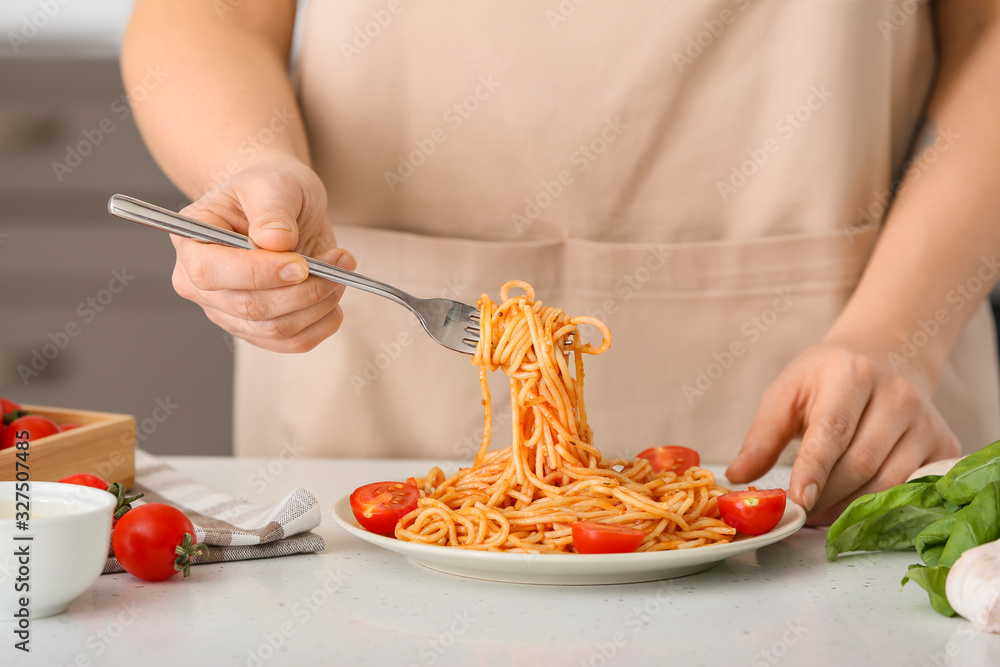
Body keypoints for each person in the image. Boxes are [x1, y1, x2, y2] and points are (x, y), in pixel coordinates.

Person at [121, 0, 1000, 524]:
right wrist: (248, 166)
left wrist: (901, 331)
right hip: (374, 384)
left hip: (854, 372)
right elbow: (213, 13)